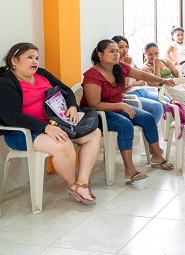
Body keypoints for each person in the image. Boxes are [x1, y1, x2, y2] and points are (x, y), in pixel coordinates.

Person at [0, 42, 101, 205]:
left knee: (94, 134)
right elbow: (12, 116)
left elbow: (66, 90)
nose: (35, 62)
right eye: (30, 58)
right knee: (63, 144)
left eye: (36, 58)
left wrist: (72, 107)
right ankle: (73, 185)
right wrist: (46, 128)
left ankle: (82, 183)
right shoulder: (6, 83)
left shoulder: (41, 74)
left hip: (54, 124)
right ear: (14, 60)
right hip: (22, 132)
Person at [81, 39, 175, 183]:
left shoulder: (118, 67)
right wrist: (122, 105)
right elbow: (94, 105)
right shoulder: (92, 76)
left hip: (117, 108)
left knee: (148, 118)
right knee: (125, 124)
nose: (116, 54)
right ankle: (129, 170)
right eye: (112, 51)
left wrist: (162, 80)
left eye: (117, 51)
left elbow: (141, 75)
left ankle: (156, 157)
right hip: (98, 115)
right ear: (100, 54)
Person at [140, 42, 185, 142]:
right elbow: (155, 83)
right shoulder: (145, 68)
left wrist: (182, 80)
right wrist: (156, 65)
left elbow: (176, 73)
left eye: (156, 54)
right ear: (145, 54)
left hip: (177, 87)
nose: (154, 57)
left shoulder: (165, 61)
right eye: (150, 54)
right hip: (164, 92)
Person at [112, 36, 164, 125]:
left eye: (126, 47)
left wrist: (133, 84)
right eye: (121, 47)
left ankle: (182, 127)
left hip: (140, 90)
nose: (125, 50)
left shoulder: (130, 61)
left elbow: (142, 80)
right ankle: (149, 133)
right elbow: (123, 86)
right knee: (157, 107)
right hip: (129, 95)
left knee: (166, 101)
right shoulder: (114, 65)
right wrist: (126, 64)